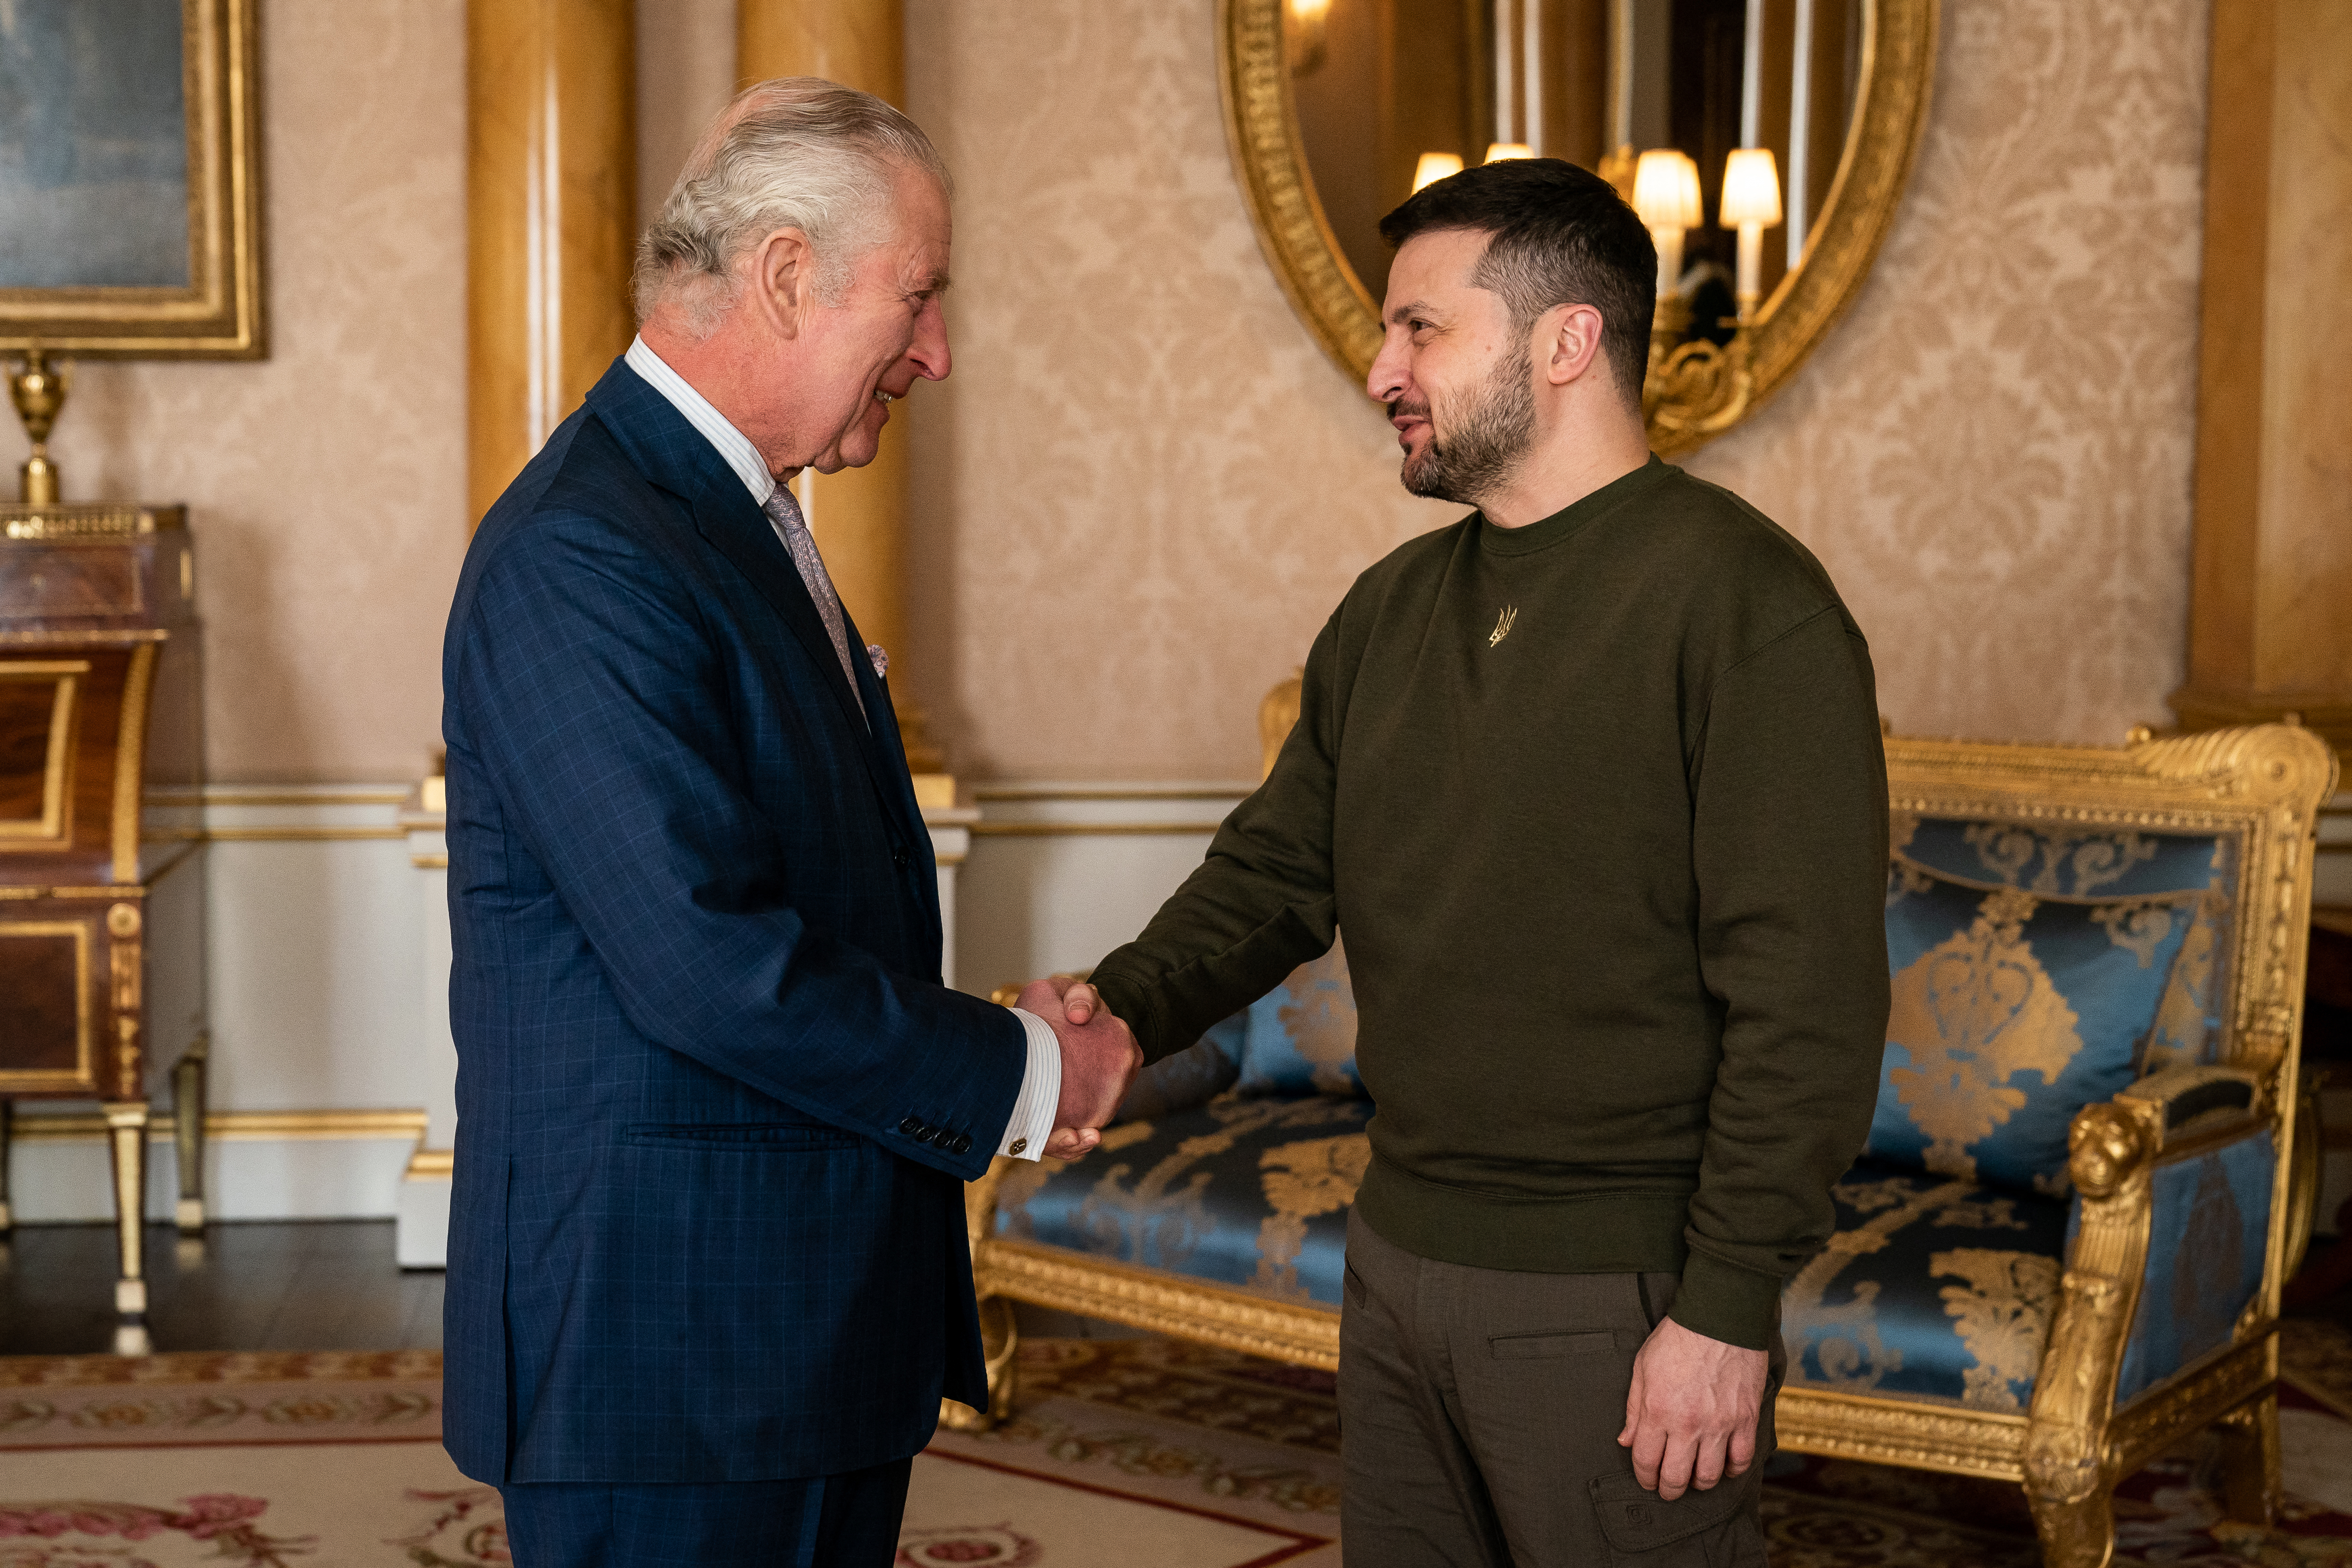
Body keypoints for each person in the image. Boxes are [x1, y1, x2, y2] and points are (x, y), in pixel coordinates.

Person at [1039, 157, 1889, 1565]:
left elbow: (1805, 1004)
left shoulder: (1746, 606)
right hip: (1394, 1262)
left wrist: (1727, 1306)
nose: (1379, 369)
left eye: (1420, 329)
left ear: (1566, 343)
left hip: (1618, 1290)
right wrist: (1117, 1013)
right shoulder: (1389, 608)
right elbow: (1271, 875)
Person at [438, 79, 1138, 1568]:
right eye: (920, 297)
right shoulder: (586, 550)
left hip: (786, 1335)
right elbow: (708, 964)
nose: (937, 352)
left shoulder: (726, 515)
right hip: (666, 1360)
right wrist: (1018, 1064)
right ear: (781, 274)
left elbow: (816, 897)